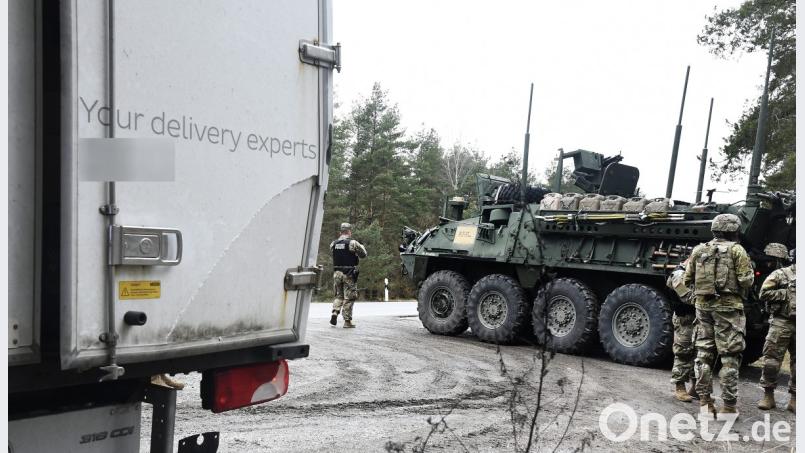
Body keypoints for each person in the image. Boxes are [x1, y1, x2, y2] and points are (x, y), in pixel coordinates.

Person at [684, 213, 754, 416]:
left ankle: (705, 403)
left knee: (704, 355)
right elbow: (746, 281)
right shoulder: (737, 250)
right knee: (729, 358)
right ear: (734, 230)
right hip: (729, 309)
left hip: (703, 307)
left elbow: (688, 279)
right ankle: (729, 407)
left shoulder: (699, 249)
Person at [757, 245, 796, 413]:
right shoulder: (781, 274)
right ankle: (768, 395)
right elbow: (763, 293)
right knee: (772, 361)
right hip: (782, 322)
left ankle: (794, 399)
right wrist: (786, 294)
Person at [667, 260, 698, 402]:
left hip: (697, 318)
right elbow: (687, 297)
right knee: (683, 352)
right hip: (685, 318)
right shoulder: (679, 274)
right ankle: (680, 387)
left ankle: (695, 388)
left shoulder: (697, 273)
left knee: (699, 354)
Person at [330, 222, 367, 328]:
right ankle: (347, 321)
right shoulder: (353, 243)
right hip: (349, 273)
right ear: (349, 232)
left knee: (339, 295)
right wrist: (360, 248)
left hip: (337, 273)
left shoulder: (334, 243)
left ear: (340, 232)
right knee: (349, 297)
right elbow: (364, 254)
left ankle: (335, 312)